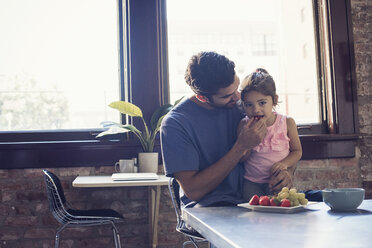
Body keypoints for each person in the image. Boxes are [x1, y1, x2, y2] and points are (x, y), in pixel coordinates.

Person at [160, 52, 294, 208]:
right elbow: (194, 191)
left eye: (237, 88)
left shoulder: (246, 107)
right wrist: (241, 146)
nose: (238, 98)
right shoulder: (176, 124)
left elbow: (283, 144)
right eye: (227, 96)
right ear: (202, 97)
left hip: (254, 200)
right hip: (209, 208)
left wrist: (286, 173)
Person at [238, 68, 302, 201]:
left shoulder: (287, 123)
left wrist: (284, 164)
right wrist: (251, 142)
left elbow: (297, 151)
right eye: (249, 105)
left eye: (262, 103)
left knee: (279, 212)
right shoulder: (244, 125)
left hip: (279, 181)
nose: (256, 110)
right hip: (251, 183)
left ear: (274, 100)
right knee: (253, 214)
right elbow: (242, 158)